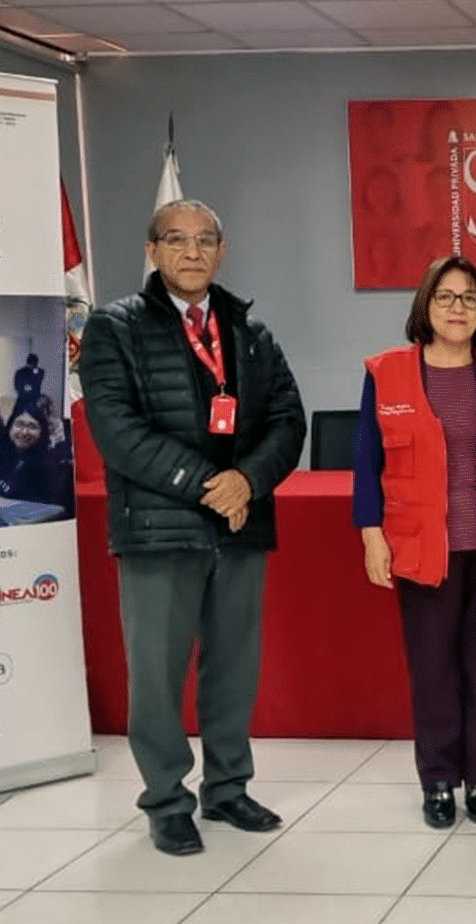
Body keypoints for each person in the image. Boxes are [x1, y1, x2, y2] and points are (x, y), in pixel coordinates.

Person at [78, 199, 306, 856]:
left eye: (205, 239)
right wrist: (211, 485)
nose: (192, 251)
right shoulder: (114, 327)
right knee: (157, 671)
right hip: (159, 530)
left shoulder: (250, 332)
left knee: (233, 667)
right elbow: (116, 430)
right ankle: (166, 799)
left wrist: (248, 482)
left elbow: (288, 421)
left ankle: (228, 787)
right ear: (152, 250)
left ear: (222, 252)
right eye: (176, 239)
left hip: (241, 525)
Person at [352, 256, 476, 829]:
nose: (458, 308)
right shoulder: (386, 372)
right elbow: (366, 461)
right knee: (432, 669)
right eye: (446, 297)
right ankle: (436, 779)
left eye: (470, 299)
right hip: (420, 546)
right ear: (425, 306)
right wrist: (372, 536)